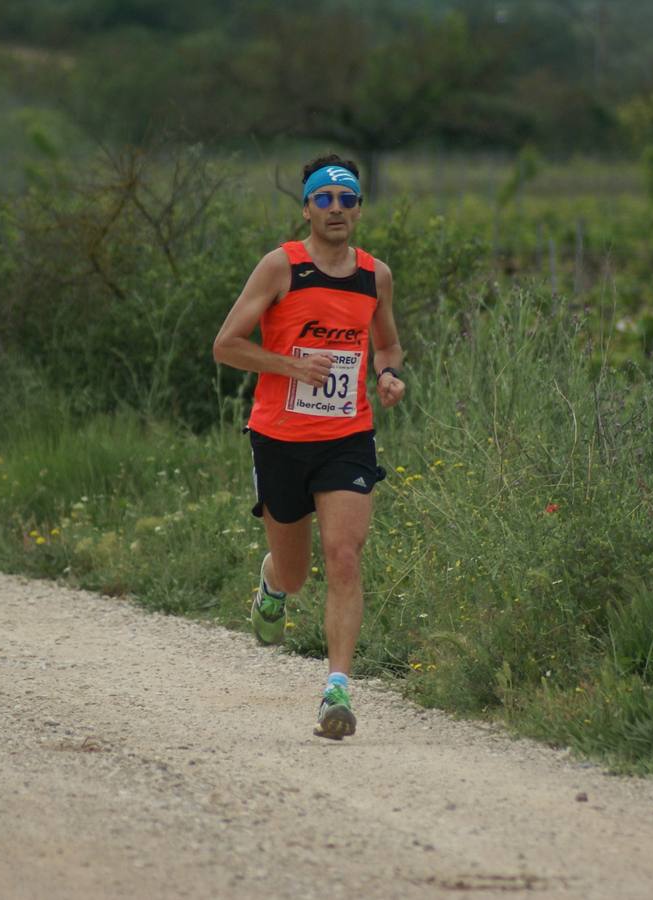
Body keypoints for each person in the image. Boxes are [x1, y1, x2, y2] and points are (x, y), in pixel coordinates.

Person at [213, 154, 405, 740]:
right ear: (307, 208)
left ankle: (337, 689)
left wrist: (390, 375)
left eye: (348, 199)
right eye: (325, 198)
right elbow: (226, 345)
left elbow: (388, 346)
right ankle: (272, 585)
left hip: (347, 437)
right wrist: (292, 366)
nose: (337, 208)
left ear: (359, 209)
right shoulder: (281, 267)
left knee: (344, 556)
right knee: (297, 573)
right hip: (279, 438)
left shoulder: (376, 276)